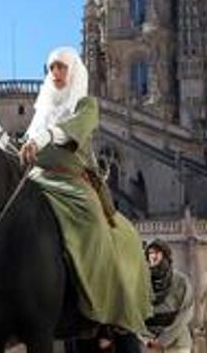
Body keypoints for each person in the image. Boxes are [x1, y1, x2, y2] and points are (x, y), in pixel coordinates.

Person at [16, 47, 151, 336]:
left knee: (91, 220)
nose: (56, 73)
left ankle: (100, 305)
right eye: (51, 68)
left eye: (62, 67)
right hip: (37, 178)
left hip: (72, 181)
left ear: (74, 71)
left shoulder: (85, 105)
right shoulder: (42, 109)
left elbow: (70, 130)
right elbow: (23, 143)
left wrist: (44, 137)